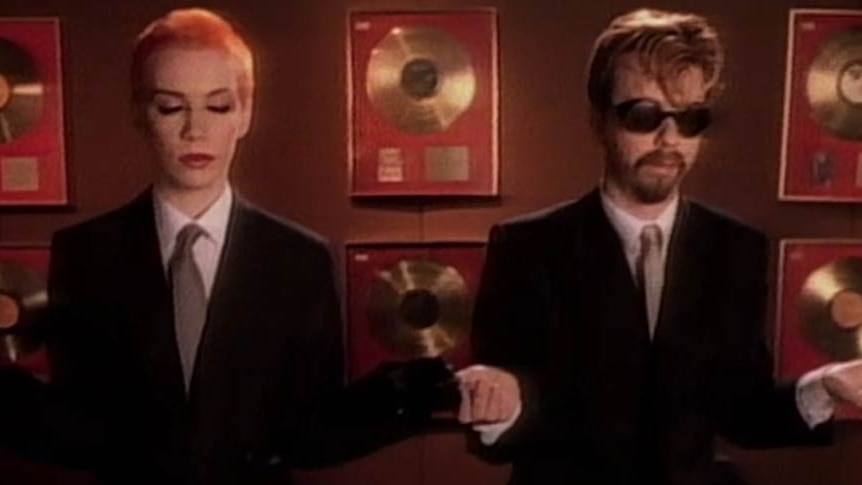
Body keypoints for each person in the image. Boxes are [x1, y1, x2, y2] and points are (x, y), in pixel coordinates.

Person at [0, 8, 451, 484]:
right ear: (139, 112)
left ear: (246, 113)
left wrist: (434, 390)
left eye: (217, 106)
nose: (196, 130)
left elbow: (311, 430)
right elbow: (78, 426)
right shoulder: (86, 254)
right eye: (171, 107)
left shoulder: (299, 259)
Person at [456, 8, 862, 485]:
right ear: (598, 120)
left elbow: (741, 410)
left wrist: (824, 387)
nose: (669, 138)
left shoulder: (736, 248)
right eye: (644, 115)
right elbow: (503, 423)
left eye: (690, 119)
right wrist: (496, 407)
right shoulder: (527, 247)